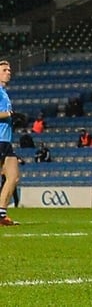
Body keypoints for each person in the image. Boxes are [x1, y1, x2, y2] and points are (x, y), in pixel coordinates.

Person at [0, 61, 20, 226]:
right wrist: (8, 114)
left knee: (13, 177)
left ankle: (1, 214)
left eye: (9, 69)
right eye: (5, 70)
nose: (9, 72)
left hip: (6, 141)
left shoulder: (4, 93)